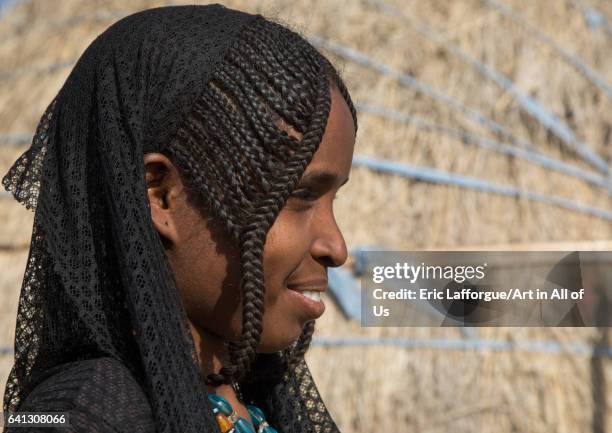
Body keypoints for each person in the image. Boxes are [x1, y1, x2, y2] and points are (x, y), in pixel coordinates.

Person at [1, 4, 357, 433]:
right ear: (160, 195)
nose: (336, 247)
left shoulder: (249, 402)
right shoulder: (82, 416)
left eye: (332, 200)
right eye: (300, 195)